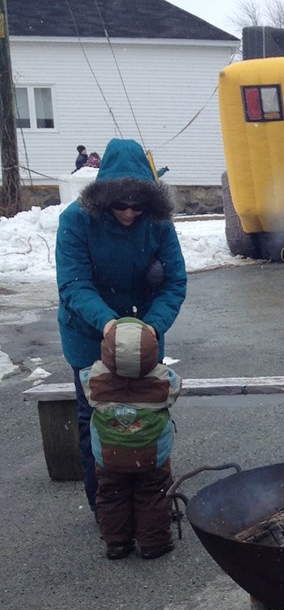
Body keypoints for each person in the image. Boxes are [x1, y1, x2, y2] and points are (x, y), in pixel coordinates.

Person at [56, 137, 188, 515]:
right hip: (88, 333)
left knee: (148, 415)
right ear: (103, 197)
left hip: (145, 331)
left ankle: (150, 504)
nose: (129, 213)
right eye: (120, 204)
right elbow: (73, 285)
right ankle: (106, 507)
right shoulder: (75, 221)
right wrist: (110, 324)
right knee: (96, 419)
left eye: (138, 205)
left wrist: (150, 327)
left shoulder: (159, 224)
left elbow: (175, 282)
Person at [81, 318, 181, 560]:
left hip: (110, 454)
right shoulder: (163, 380)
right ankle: (153, 543)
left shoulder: (94, 380)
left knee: (112, 495)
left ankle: (117, 543)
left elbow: (85, 380)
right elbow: (177, 388)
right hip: (151, 454)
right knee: (153, 494)